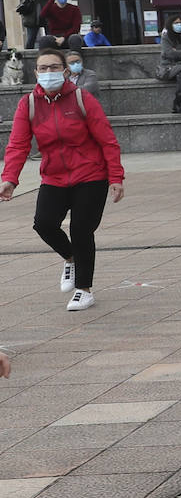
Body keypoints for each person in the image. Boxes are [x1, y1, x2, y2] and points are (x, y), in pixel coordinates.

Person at [1, 48, 125, 312]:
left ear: (65, 71)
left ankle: (84, 290)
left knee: (81, 230)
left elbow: (107, 140)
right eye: (43, 68)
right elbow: (18, 144)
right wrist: (9, 178)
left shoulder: (82, 98)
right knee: (43, 224)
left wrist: (116, 177)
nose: (49, 72)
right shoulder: (29, 104)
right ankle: (70, 258)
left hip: (90, 174)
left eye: (54, 67)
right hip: (54, 176)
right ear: (35, 73)